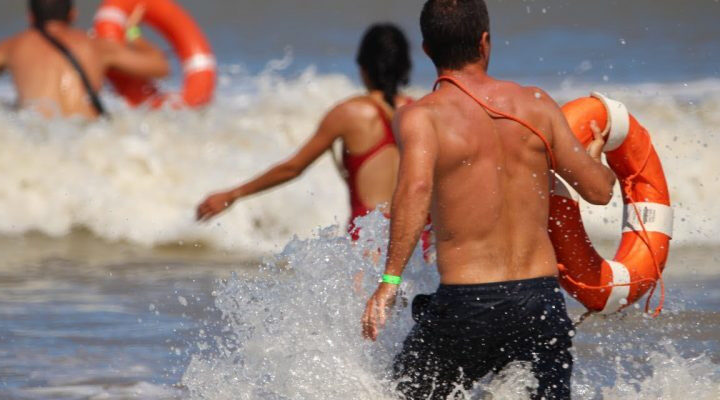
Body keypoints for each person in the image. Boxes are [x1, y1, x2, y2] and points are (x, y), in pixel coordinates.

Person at [361, 1, 617, 399]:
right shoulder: (536, 103)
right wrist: (595, 159)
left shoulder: (422, 117)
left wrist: (389, 281)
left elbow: (414, 190)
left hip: (469, 304)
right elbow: (600, 191)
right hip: (541, 303)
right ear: (485, 42)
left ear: (427, 49)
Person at [196, 24, 414, 241]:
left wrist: (233, 194)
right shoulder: (419, 112)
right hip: (415, 238)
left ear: (363, 66)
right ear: (404, 66)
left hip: (370, 239)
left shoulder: (348, 113)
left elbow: (293, 168)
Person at [0, 0, 169, 119]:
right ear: (73, 15)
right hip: (87, 137)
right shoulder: (97, 47)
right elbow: (160, 66)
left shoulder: (13, 47)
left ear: (30, 17)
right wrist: (133, 34)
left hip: (39, 139)